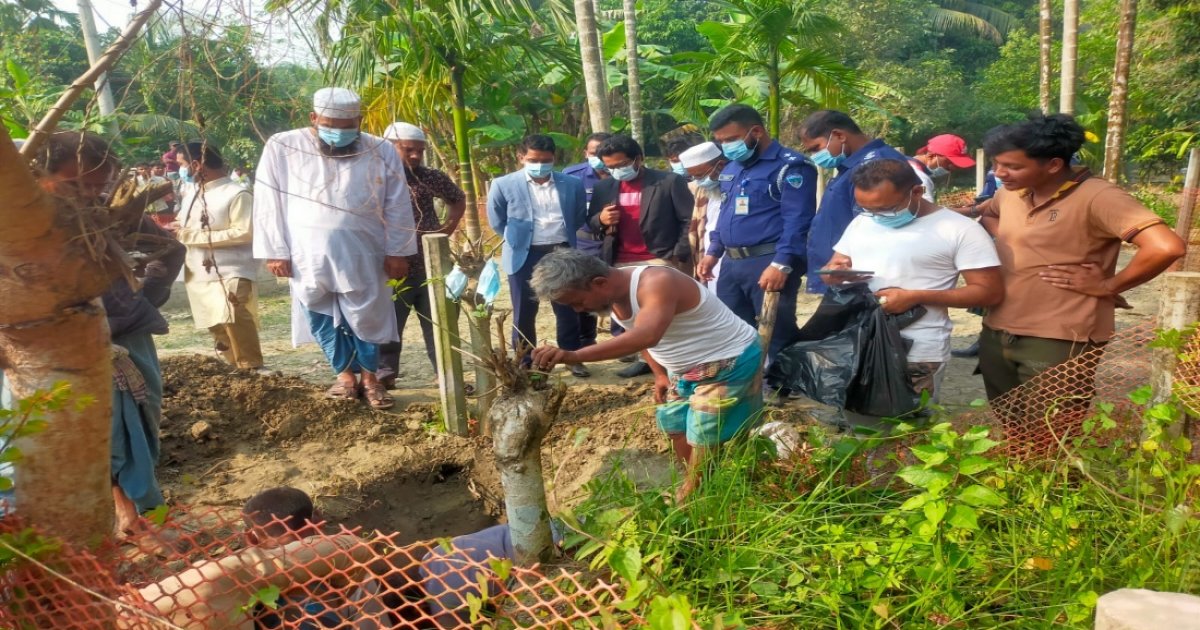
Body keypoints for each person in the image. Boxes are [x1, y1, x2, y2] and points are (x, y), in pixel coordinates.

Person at [970, 113, 1185, 400]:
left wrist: (1109, 286)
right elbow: (989, 214)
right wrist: (1016, 243)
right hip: (997, 328)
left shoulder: (1098, 196)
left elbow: (1166, 247)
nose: (998, 173)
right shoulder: (1013, 193)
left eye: (1012, 166)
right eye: (996, 164)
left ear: (1054, 165)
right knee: (1011, 426)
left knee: (1051, 432)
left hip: (1059, 336)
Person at [32, 131, 184, 535]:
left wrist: (143, 301)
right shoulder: (24, 225)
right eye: (75, 183)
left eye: (99, 184)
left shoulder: (112, 211)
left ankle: (138, 517)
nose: (88, 193)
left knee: (136, 428)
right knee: (92, 435)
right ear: (40, 175)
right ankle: (123, 516)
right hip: (53, 347)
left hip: (126, 339)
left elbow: (170, 250)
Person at [529, 249, 764, 501]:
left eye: (577, 302)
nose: (577, 310)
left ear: (599, 283)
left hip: (728, 361)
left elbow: (646, 335)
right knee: (674, 425)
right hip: (684, 369)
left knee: (706, 433)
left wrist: (574, 356)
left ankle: (695, 494)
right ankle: (702, 480)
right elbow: (640, 336)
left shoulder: (657, 282)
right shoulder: (615, 298)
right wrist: (659, 374)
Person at [253, 87, 417, 410]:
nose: (339, 132)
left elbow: (398, 203)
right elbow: (267, 199)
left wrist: (398, 251)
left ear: (359, 121)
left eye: (347, 126)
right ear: (313, 118)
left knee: (368, 315)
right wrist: (276, 250)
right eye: (330, 124)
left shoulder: (381, 149)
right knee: (317, 310)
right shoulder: (283, 146)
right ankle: (344, 376)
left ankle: (371, 379)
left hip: (366, 251)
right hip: (305, 252)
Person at [824, 159, 1004, 401]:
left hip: (918, 352)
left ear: (917, 192)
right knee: (861, 429)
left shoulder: (958, 229)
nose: (876, 216)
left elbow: (989, 292)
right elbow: (837, 263)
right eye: (866, 208)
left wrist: (917, 296)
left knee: (910, 431)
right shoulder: (862, 222)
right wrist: (835, 272)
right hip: (859, 342)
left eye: (886, 208)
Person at [696, 104, 816, 373]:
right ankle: (745, 382)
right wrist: (713, 251)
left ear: (756, 132)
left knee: (776, 327)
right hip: (731, 262)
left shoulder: (790, 167)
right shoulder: (733, 169)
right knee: (732, 325)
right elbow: (726, 213)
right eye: (721, 141)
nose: (726, 146)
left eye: (730, 139)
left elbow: (798, 220)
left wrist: (781, 264)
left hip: (767, 260)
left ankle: (783, 386)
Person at [589, 134, 695, 378]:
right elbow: (591, 223)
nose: (616, 171)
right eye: (610, 167)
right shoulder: (604, 187)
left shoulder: (668, 181)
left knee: (664, 314)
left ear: (638, 159)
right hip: (619, 260)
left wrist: (678, 253)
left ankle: (677, 361)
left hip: (659, 258)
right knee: (630, 316)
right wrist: (601, 220)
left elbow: (687, 219)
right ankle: (645, 359)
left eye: (621, 165)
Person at [486, 134, 589, 376]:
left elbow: (577, 218)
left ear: (554, 158)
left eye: (546, 159)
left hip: (561, 253)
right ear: (521, 158)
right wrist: (519, 241)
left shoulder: (571, 184)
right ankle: (524, 362)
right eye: (533, 159)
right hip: (524, 254)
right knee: (524, 311)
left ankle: (572, 357)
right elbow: (497, 221)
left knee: (567, 308)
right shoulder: (503, 184)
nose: (540, 164)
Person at [376, 121, 467, 389]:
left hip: (431, 264)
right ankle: (385, 374)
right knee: (390, 323)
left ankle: (446, 375)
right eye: (408, 150)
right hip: (391, 266)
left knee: (440, 321)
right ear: (389, 148)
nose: (415, 155)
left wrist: (445, 230)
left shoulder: (430, 177)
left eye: (420, 150)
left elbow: (457, 199)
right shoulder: (375, 177)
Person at [174, 141, 268, 373]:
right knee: (213, 320)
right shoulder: (192, 194)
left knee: (233, 313)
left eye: (183, 165)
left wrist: (189, 235)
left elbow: (244, 231)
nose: (181, 171)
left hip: (232, 267)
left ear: (197, 164)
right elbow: (186, 225)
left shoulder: (237, 193)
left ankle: (251, 366)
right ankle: (234, 366)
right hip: (197, 268)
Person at [798, 110, 908, 295]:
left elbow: (874, 226)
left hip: (864, 280)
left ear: (840, 135)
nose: (815, 156)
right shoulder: (849, 166)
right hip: (844, 276)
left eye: (816, 148)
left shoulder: (877, 165)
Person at [562, 132, 613, 357]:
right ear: (586, 153)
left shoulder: (624, 174)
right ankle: (586, 339)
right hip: (584, 243)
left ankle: (622, 339)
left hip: (616, 244)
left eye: (603, 153)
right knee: (583, 289)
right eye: (594, 153)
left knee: (617, 289)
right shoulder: (572, 177)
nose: (599, 158)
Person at [679, 142, 728, 287]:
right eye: (694, 177)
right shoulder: (702, 192)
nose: (699, 181)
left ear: (720, 166)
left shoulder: (735, 188)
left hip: (732, 256)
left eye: (700, 175)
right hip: (708, 256)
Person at [910, 133, 976, 199]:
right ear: (932, 155)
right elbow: (928, 209)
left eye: (955, 165)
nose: (951, 168)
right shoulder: (921, 179)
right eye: (948, 162)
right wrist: (973, 209)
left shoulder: (908, 164)